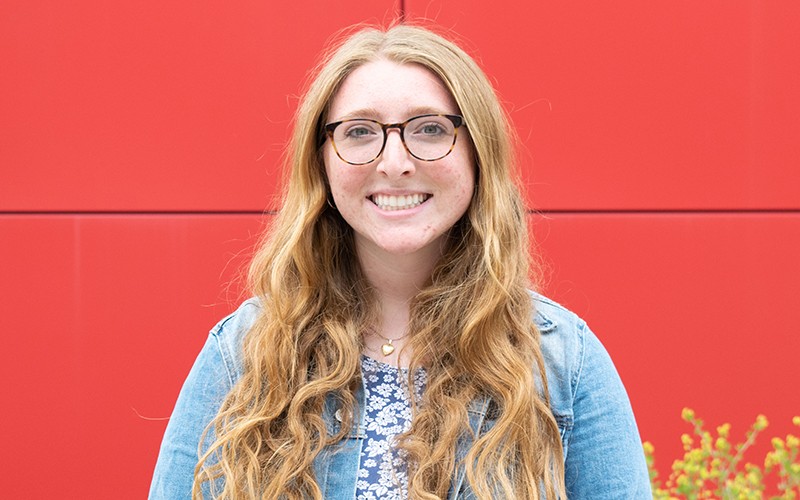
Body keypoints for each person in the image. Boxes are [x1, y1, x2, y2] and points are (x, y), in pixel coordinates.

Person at [149, 23, 651, 499]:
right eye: (360, 132)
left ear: (477, 153)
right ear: (321, 161)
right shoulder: (243, 352)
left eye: (430, 129)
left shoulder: (564, 362)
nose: (394, 162)